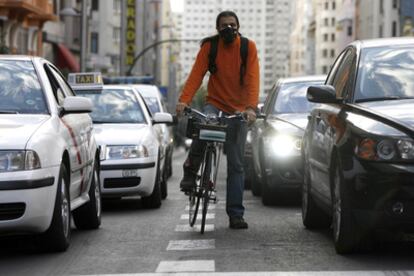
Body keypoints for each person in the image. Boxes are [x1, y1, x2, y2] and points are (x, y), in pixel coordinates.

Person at [176, 10, 260, 230]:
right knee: (203, 129)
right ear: (217, 29)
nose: (229, 28)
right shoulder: (210, 47)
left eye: (232, 25)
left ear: (238, 27)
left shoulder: (247, 47)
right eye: (224, 25)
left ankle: (235, 215)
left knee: (236, 165)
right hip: (215, 104)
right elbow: (196, 75)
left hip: (239, 111)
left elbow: (253, 79)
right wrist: (183, 101)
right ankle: (191, 170)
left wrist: (251, 108)